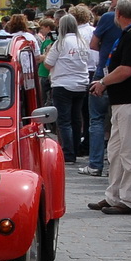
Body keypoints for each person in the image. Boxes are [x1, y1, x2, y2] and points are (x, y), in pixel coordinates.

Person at [89, 0, 131, 216]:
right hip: (124, 101)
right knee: (116, 151)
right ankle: (114, 194)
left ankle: (130, 199)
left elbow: (127, 69)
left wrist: (103, 82)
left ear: (118, 13)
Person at [44, 13, 91, 163]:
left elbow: (48, 64)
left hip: (63, 83)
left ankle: (68, 153)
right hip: (81, 83)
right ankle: (75, 150)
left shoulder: (60, 43)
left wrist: (46, 54)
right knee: (76, 119)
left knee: (64, 120)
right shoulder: (82, 41)